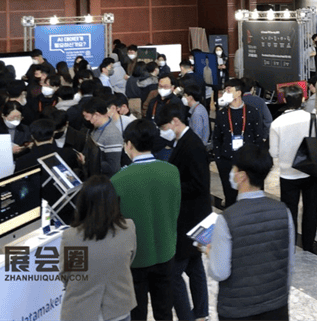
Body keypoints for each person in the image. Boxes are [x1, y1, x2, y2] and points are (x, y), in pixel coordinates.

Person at [207, 144, 294, 321]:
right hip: (276, 307)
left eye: (234, 169)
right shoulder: (284, 212)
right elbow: (289, 265)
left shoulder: (227, 219)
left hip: (237, 309)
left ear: (242, 176)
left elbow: (219, 272)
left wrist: (210, 252)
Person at [111, 120, 182, 321]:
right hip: (166, 250)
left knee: (137, 313)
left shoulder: (118, 180)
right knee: (164, 311)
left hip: (135, 258)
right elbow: (175, 208)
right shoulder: (172, 171)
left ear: (129, 144)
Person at [157, 103, 211, 321]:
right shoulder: (182, 141)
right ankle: (201, 313)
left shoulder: (192, 145)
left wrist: (171, 186)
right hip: (193, 217)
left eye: (164, 127)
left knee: (174, 273)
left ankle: (188, 316)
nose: (163, 132)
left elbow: (199, 184)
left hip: (191, 219)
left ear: (175, 121)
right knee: (195, 267)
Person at [60, 176, 138, 321]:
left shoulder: (71, 236)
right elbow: (129, 259)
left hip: (81, 310)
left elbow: (66, 274)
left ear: (83, 202)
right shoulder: (128, 228)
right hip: (119, 307)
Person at [269, 86, 317, 253]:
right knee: (310, 209)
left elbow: (273, 152)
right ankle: (309, 245)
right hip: (310, 171)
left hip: (288, 174)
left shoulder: (277, 123)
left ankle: (291, 245)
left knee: (290, 212)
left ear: (285, 100)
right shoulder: (313, 118)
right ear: (302, 99)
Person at [212, 79, 264, 207]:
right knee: (230, 197)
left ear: (239, 93)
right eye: (225, 90)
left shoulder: (252, 112)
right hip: (227, 160)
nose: (225, 93)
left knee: (250, 198)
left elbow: (258, 137)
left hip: (248, 161)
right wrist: (219, 159)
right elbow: (217, 138)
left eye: (229, 90)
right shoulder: (222, 114)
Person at [83, 97, 124, 176]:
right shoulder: (96, 129)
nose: (88, 121)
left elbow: (113, 167)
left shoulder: (112, 135)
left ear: (96, 115)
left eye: (87, 117)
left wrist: (87, 161)